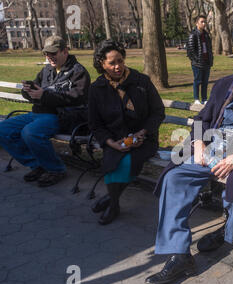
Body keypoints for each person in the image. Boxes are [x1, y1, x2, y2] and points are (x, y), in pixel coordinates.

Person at [145, 30, 233, 284]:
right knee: (174, 177)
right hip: (211, 147)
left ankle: (226, 231)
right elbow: (202, 119)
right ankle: (179, 255)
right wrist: (198, 144)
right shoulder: (224, 84)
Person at [88, 40, 165, 225]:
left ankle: (112, 202)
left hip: (144, 139)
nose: (118, 67)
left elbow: (158, 112)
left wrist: (143, 132)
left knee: (127, 161)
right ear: (102, 64)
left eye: (120, 61)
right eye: (112, 63)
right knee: (112, 161)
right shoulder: (96, 89)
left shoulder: (141, 81)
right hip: (114, 140)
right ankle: (113, 202)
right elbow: (95, 124)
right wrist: (110, 142)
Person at [0, 35, 90, 187]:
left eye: (53, 53)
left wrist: (45, 95)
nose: (49, 57)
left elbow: (78, 97)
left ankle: (56, 169)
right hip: (37, 114)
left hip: (60, 116)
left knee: (30, 132)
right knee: (3, 129)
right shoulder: (46, 70)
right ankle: (38, 164)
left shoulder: (78, 72)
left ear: (65, 51)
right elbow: (36, 91)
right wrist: (28, 90)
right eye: (47, 54)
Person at [187, 15, 213, 105]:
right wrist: (196, 60)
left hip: (206, 62)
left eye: (205, 22)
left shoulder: (206, 35)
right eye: (202, 22)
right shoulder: (193, 35)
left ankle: (204, 99)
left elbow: (209, 48)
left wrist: (210, 60)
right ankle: (196, 99)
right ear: (196, 23)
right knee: (197, 81)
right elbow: (190, 50)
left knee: (205, 82)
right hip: (197, 63)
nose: (204, 23)